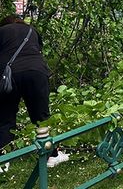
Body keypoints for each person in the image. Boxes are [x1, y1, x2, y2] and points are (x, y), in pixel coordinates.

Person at [0, 15, 69, 168]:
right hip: (35, 72)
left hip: (9, 76)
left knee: (5, 118)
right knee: (41, 116)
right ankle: (51, 156)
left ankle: (4, 161)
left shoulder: (2, 31)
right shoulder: (32, 30)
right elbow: (38, 50)